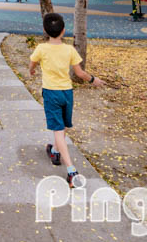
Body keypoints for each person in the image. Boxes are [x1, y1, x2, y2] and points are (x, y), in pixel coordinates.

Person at [28, 12, 105, 188]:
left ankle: (71, 171)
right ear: (63, 31)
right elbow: (79, 73)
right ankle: (55, 151)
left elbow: (32, 62)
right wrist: (94, 80)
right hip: (67, 93)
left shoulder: (41, 49)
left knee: (57, 129)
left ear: (44, 30)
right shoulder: (69, 50)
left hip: (51, 93)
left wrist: (31, 70)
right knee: (62, 126)